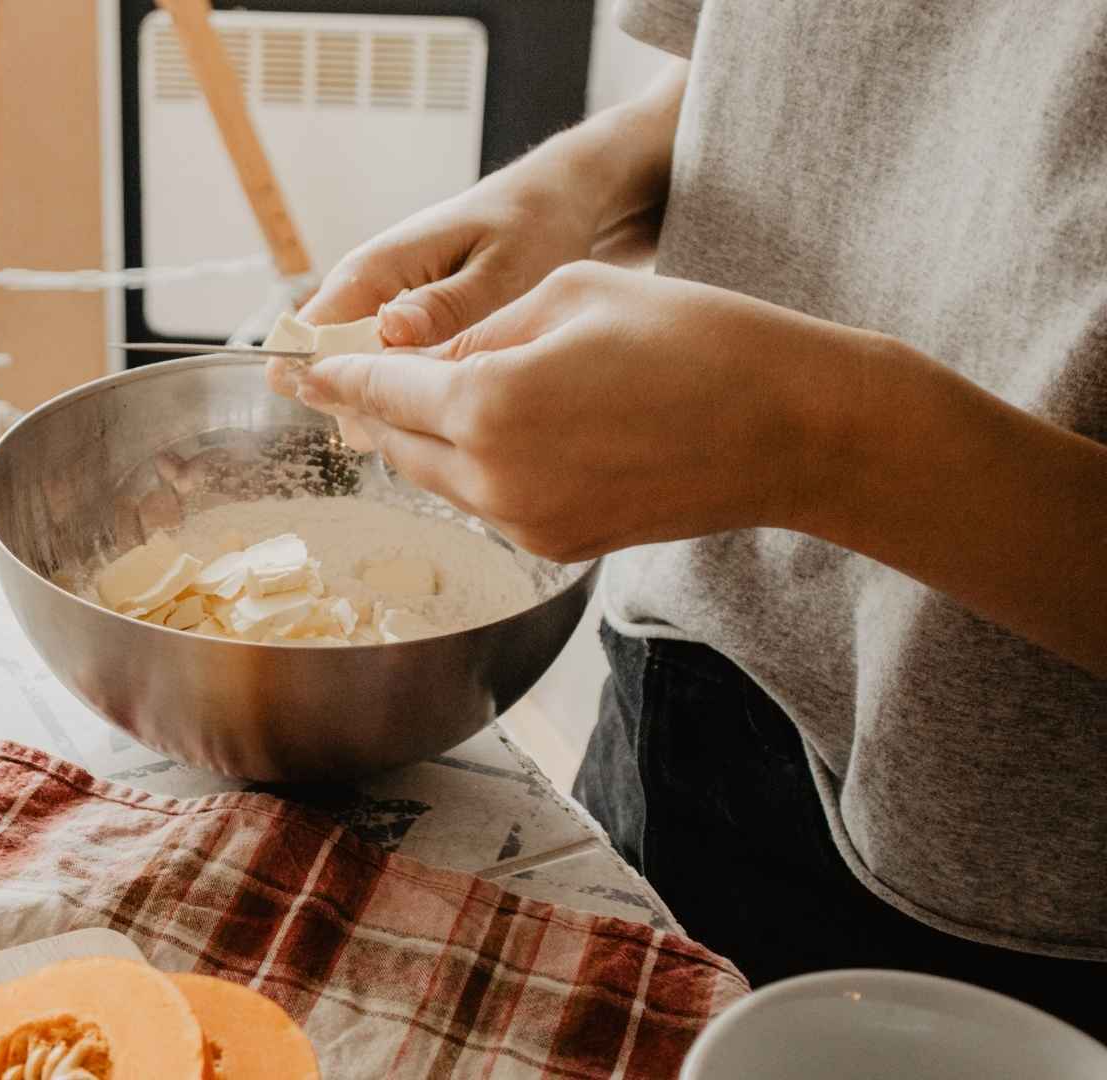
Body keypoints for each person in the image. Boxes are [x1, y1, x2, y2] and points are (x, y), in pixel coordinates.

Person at [270, 1, 1106, 1037]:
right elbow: (788, 66)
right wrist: (580, 183)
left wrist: (826, 443)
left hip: (1011, 893)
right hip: (676, 686)